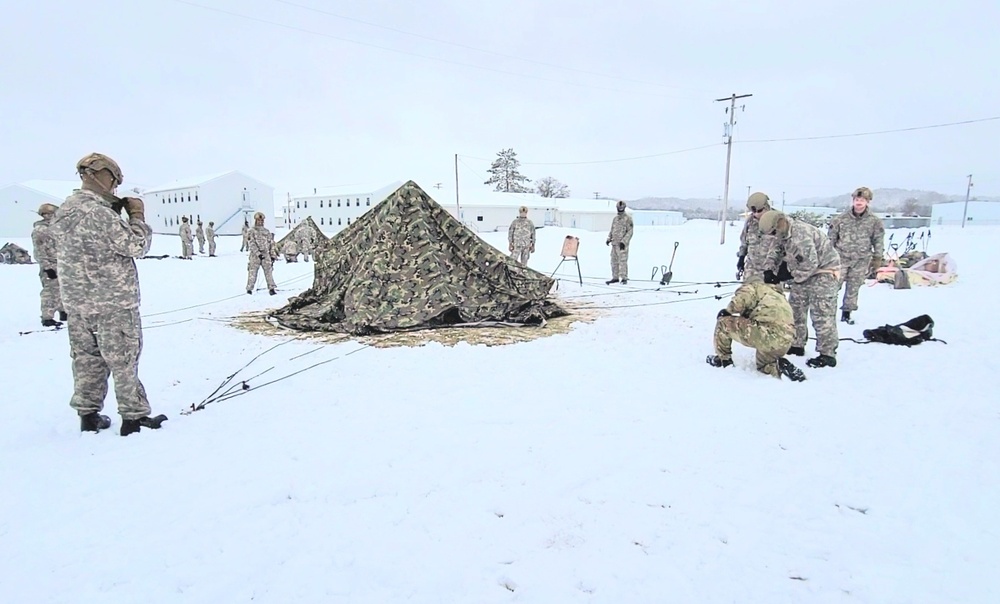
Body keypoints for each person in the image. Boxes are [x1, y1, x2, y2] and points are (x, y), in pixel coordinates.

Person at [50, 152, 166, 435]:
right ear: (101, 175)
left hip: (78, 303)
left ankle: (88, 415)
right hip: (112, 301)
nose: (114, 187)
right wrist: (137, 215)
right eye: (114, 180)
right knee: (123, 359)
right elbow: (136, 245)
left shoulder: (63, 211)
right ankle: (133, 417)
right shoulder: (99, 213)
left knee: (86, 359)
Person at [759, 210, 841, 368]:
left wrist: (788, 274)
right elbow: (775, 250)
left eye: (774, 232)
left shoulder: (800, 235)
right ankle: (796, 344)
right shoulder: (782, 233)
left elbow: (810, 264)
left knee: (821, 314)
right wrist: (769, 269)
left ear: (780, 224)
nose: (774, 235)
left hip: (823, 272)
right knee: (795, 309)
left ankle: (827, 354)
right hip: (803, 272)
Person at [706, 274, 805, 381]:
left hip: (767, 333)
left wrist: (727, 311)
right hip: (786, 338)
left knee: (723, 323)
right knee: (763, 365)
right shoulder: (778, 295)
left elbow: (739, 302)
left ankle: (722, 359)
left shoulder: (754, 287)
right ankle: (779, 367)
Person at [828, 186, 885, 325]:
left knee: (853, 287)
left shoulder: (874, 221)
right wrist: (827, 257)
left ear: (868, 202)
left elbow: (878, 240)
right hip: (841, 258)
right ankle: (828, 313)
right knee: (832, 286)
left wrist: (877, 258)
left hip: (861, 259)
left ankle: (847, 313)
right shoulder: (840, 219)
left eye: (862, 200)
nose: (859, 202)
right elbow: (830, 239)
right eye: (857, 199)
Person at [30, 202, 66, 327]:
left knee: (62, 289)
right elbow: (39, 251)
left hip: (60, 263)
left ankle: (63, 311)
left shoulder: (56, 228)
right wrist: (47, 267)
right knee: (50, 292)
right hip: (49, 265)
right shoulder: (40, 230)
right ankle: (47, 317)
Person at [737, 192, 775, 282]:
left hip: (772, 271)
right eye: (754, 211)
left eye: (760, 211)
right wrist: (741, 258)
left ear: (767, 207)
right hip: (752, 269)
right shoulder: (750, 222)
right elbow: (744, 242)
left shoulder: (778, 220)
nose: (756, 214)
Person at [246, 211, 278, 295]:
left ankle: (271, 288)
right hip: (255, 256)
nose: (260, 222)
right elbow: (251, 243)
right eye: (258, 220)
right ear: (256, 221)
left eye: (262, 221)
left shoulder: (266, 232)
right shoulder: (251, 231)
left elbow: (271, 243)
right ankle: (249, 289)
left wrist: (273, 255)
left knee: (269, 272)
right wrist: (258, 253)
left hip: (266, 254)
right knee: (252, 272)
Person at [605, 200, 633, 284]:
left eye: (621, 208)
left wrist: (624, 242)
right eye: (618, 208)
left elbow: (630, 231)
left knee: (622, 261)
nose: (620, 209)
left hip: (622, 245)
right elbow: (612, 230)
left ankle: (624, 277)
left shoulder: (628, 219)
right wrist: (609, 238)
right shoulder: (615, 219)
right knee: (614, 261)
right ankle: (615, 277)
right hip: (614, 244)